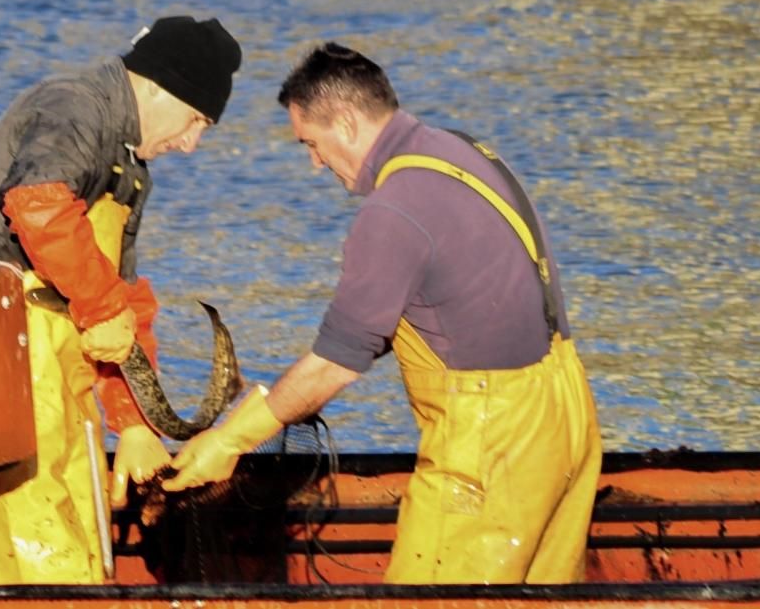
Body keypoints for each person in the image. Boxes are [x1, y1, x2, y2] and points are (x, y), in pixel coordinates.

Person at [164, 42, 602, 584]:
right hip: (568, 413)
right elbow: (440, 301)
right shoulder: (463, 152)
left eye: (312, 144)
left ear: (346, 122)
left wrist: (230, 440)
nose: (314, 163)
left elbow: (336, 364)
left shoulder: (393, 210)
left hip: (492, 439)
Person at [0, 16, 242, 584]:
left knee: (82, 520)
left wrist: (132, 424)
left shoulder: (129, 163)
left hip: (60, 369)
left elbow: (123, 302)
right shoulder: (75, 107)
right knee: (27, 538)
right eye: (196, 119)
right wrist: (102, 309)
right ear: (157, 86)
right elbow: (37, 202)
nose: (192, 143)